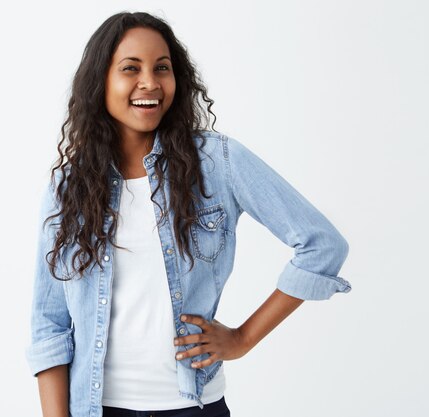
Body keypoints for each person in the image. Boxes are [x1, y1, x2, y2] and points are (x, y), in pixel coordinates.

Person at [25, 11, 351, 417]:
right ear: (101, 83)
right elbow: (49, 325)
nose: (150, 82)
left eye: (162, 68)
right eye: (131, 68)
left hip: (193, 406)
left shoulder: (217, 161)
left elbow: (322, 245)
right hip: (96, 408)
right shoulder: (67, 187)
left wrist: (243, 338)